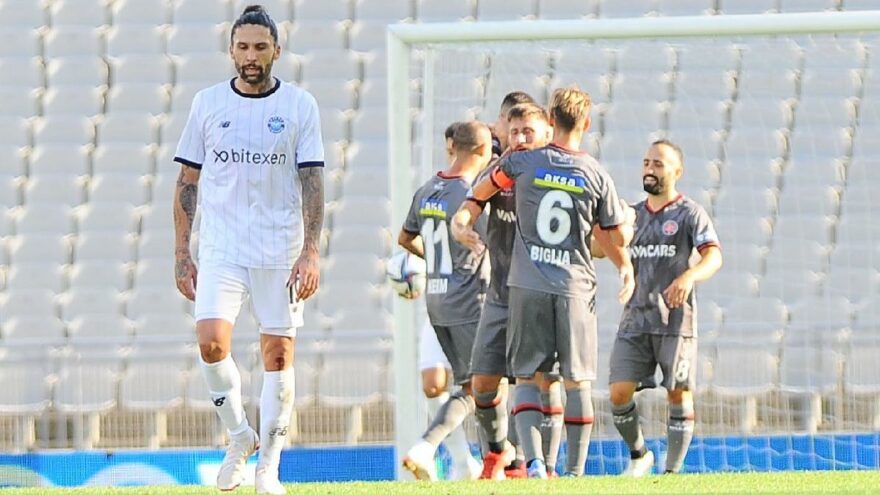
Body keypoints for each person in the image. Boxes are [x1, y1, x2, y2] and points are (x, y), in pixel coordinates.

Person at [172, 6, 324, 495]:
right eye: (243, 47)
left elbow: (312, 180)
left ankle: (269, 470)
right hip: (222, 248)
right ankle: (240, 436)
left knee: (278, 355)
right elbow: (187, 180)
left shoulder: (301, 106)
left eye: (261, 47)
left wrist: (311, 251)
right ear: (231, 50)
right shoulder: (207, 104)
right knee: (211, 343)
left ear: (276, 50)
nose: (251, 56)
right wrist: (181, 250)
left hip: (281, 249)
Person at [466, 87, 635, 478]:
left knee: (526, 376)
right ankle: (574, 473)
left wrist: (466, 214)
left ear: (551, 121)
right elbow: (613, 235)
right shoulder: (594, 172)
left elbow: (480, 191)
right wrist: (625, 262)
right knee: (575, 382)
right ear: (587, 124)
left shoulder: (526, 163)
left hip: (526, 285)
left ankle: (537, 464)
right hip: (574, 287)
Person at [601, 140, 722, 477]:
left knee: (678, 393)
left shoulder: (689, 213)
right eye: (645, 163)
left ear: (677, 172)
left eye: (658, 163)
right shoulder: (632, 215)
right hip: (635, 319)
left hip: (675, 322)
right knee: (618, 392)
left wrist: (689, 276)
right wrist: (610, 232)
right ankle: (640, 455)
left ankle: (671, 473)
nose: (649, 169)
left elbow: (714, 256)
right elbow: (599, 250)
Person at [451, 102, 557, 479]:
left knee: (544, 379)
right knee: (481, 381)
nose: (521, 138)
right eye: (514, 132)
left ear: (548, 132)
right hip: (499, 295)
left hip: (544, 294)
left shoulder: (556, 173)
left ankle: (544, 465)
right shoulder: (499, 172)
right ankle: (498, 451)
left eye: (529, 131)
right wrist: (461, 224)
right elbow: (472, 203)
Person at [398, 121, 493, 480]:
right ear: (484, 151)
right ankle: (427, 446)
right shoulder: (471, 195)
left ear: (453, 147)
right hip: (469, 301)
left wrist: (439, 264)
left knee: (474, 385)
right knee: (478, 385)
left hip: (436, 301)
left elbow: (405, 239)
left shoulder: (426, 190)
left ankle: (481, 463)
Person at [415, 122, 482, 481]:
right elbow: (407, 238)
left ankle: (492, 462)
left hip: (470, 302)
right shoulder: (432, 190)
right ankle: (462, 461)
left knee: (484, 386)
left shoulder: (472, 193)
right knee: (435, 383)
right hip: (441, 301)